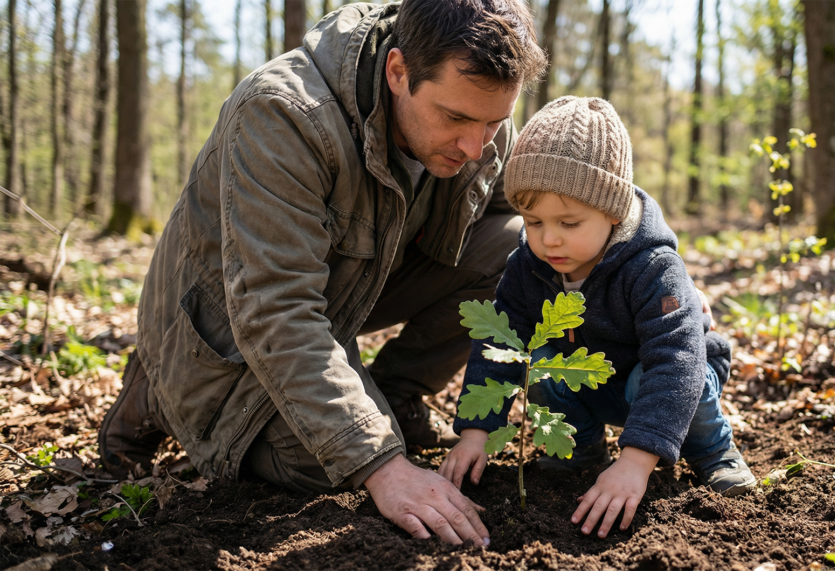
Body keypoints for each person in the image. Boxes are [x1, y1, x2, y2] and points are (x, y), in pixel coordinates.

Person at [98, 0, 548, 546]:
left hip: (352, 290)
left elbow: (515, 227)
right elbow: (276, 309)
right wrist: (382, 465)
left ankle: (393, 396)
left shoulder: (475, 105)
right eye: (455, 119)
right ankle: (158, 390)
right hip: (231, 324)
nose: (476, 147)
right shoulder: (283, 114)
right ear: (398, 71)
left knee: (524, 248)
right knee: (329, 466)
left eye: (494, 122)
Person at [439, 97, 757, 539]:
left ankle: (715, 453)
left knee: (658, 377)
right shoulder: (527, 265)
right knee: (537, 365)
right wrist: (476, 431)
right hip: (589, 382)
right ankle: (580, 451)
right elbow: (501, 345)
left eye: (569, 223)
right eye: (533, 221)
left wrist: (636, 461)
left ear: (613, 211)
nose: (549, 239)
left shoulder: (653, 268)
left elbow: (676, 361)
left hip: (663, 379)